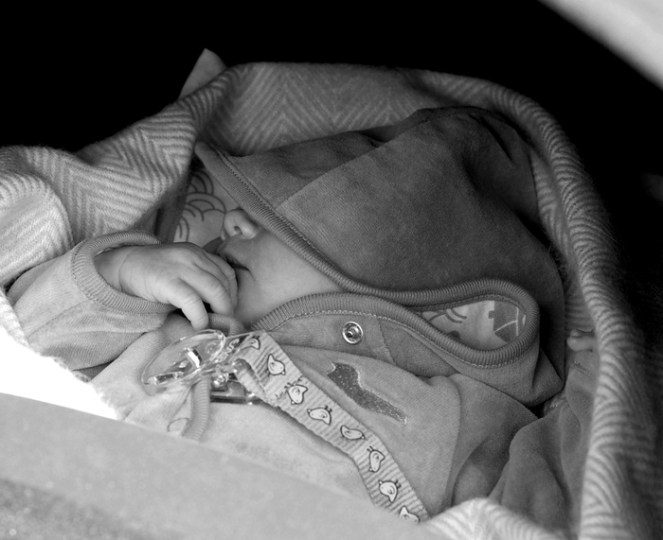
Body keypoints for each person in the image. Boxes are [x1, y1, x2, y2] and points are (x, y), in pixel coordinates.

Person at [9, 106, 582, 527]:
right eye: (242, 208)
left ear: (392, 283)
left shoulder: (459, 415)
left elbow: (534, 512)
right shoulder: (167, 315)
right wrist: (119, 273)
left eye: (277, 222)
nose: (231, 222)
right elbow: (26, 342)